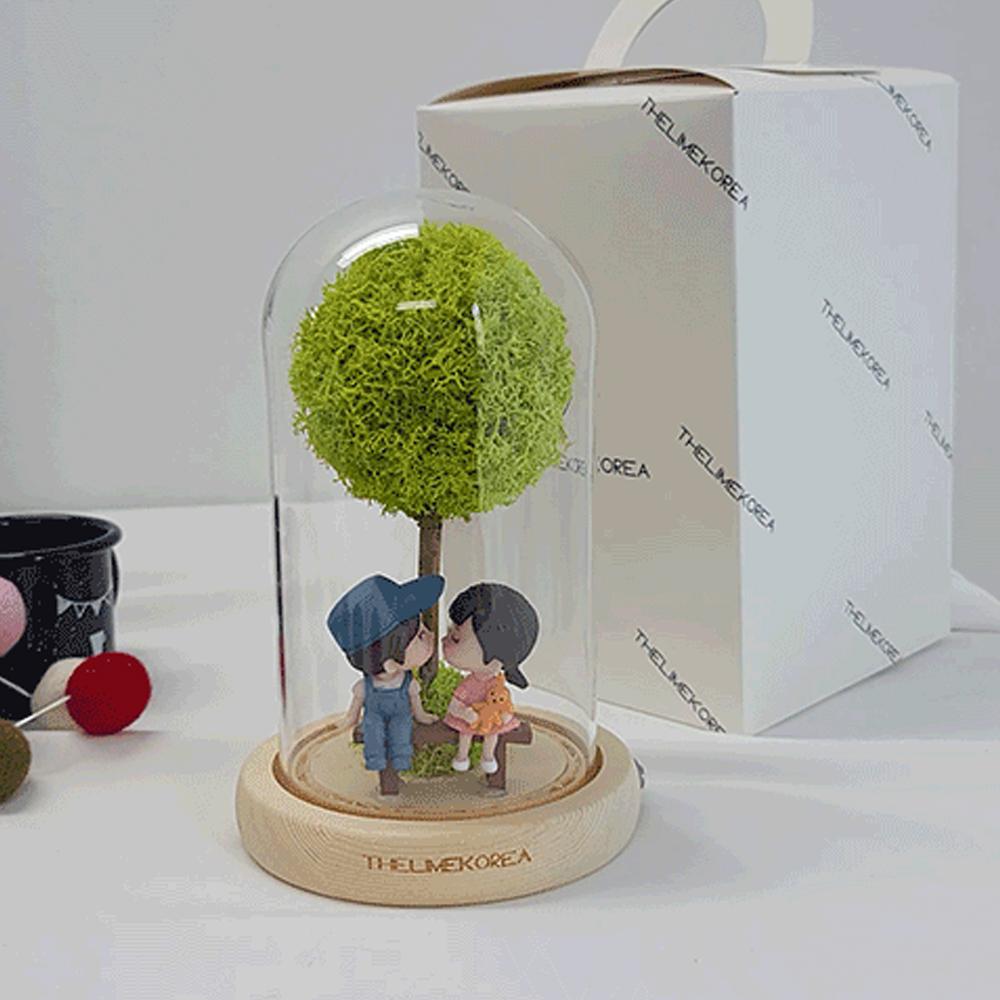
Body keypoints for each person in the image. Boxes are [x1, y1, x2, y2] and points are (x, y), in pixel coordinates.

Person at [327, 574, 441, 783]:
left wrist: (422, 716)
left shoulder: (408, 683)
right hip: (373, 717)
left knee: (401, 732)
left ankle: (401, 761)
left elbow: (416, 704)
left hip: (401, 716)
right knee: (373, 732)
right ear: (390, 663)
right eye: (421, 636)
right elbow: (356, 705)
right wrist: (350, 719)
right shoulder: (366, 686)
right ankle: (376, 761)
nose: (432, 635)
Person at [443, 582, 538, 775]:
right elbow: (455, 704)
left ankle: (488, 757)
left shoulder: (497, 684)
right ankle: (462, 756)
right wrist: (464, 713)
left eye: (456, 638)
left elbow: (504, 704)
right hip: (471, 720)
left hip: (490, 719)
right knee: (465, 734)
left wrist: (505, 715)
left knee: (492, 735)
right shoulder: (469, 684)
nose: (443, 641)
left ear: (495, 655)